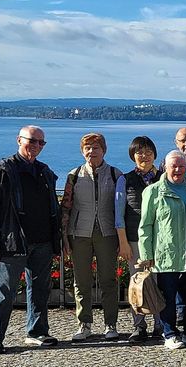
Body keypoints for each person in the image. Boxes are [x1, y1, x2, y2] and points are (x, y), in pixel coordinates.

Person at [0, 125, 61, 354]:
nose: (36, 146)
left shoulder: (45, 172)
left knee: (40, 290)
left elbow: (52, 207)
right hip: (12, 241)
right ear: (19, 140)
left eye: (40, 143)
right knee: (5, 291)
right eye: (32, 141)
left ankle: (36, 332)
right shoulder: (3, 170)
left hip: (42, 240)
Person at [137, 150, 186, 350]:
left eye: (182, 166)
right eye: (173, 166)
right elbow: (145, 225)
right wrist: (146, 255)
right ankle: (170, 333)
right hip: (167, 254)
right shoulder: (154, 191)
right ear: (164, 167)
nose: (178, 170)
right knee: (167, 297)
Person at [60, 132, 122, 342]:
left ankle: (110, 324)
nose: (91, 152)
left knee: (108, 280)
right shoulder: (74, 175)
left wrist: (122, 239)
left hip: (107, 233)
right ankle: (84, 324)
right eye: (87, 148)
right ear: (82, 151)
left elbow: (122, 208)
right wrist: (65, 237)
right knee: (81, 281)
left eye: (96, 148)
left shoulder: (115, 174)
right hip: (79, 234)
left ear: (104, 150)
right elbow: (66, 208)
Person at [114, 135, 164, 342]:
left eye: (148, 151)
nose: (144, 155)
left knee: (159, 283)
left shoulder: (164, 177)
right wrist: (123, 243)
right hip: (134, 240)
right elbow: (119, 214)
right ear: (132, 155)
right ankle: (139, 325)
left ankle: (161, 325)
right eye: (139, 152)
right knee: (137, 283)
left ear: (154, 154)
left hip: (161, 241)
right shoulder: (125, 180)